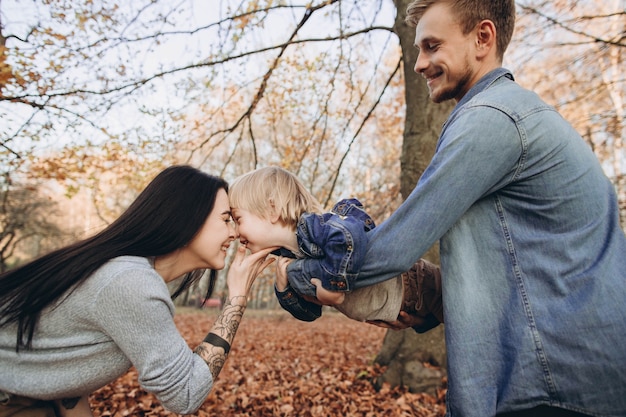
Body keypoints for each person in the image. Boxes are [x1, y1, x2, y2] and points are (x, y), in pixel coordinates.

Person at [286, 0, 626, 416]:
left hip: (552, 383)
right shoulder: (521, 113)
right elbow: (527, 275)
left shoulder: (490, 119)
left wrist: (294, 265)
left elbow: (381, 254)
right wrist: (419, 295)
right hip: (581, 374)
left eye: (431, 46)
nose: (418, 63)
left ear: (483, 38)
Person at [0, 165, 276, 417]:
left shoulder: (124, 273)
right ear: (187, 219)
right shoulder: (130, 282)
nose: (235, 233)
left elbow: (60, 354)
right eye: (226, 219)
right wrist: (237, 299)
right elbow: (186, 394)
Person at [228, 166, 443, 331]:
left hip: (418, 284)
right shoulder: (291, 262)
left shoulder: (316, 227)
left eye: (238, 219)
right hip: (408, 308)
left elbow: (348, 239)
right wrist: (284, 289)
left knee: (472, 320)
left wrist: (332, 289)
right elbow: (310, 313)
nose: (236, 232)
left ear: (272, 209)